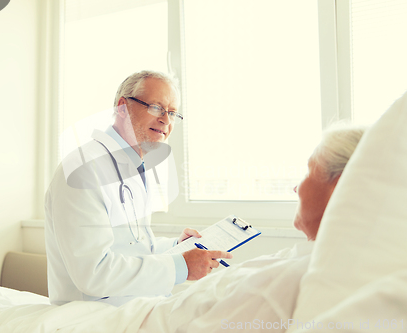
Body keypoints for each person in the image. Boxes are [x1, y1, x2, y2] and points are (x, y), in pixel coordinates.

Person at [137, 124, 367, 332]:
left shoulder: (285, 282)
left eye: (308, 172)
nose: (296, 188)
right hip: (148, 310)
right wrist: (178, 250)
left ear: (338, 188)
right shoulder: (314, 260)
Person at [44, 70, 232, 307]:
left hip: (138, 308)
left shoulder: (135, 167)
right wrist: (180, 266)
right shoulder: (83, 169)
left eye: (172, 113)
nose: (166, 120)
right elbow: (93, 273)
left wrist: (177, 248)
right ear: (122, 108)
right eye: (156, 107)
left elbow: (133, 247)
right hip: (94, 318)